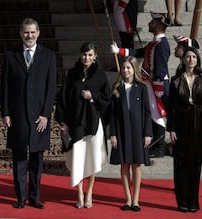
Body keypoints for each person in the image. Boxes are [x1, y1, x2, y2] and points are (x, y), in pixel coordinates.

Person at [1, 18, 56, 209]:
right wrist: (5, 112)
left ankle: (35, 197)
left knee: (36, 161)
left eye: (33, 32)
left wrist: (46, 114)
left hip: (39, 117)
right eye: (26, 32)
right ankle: (20, 197)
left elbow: (51, 88)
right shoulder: (11, 55)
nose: (29, 36)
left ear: (38, 33)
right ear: (20, 33)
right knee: (19, 160)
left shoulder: (48, 56)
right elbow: (5, 86)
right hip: (17, 116)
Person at [55, 42, 110, 209]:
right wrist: (63, 121)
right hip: (76, 123)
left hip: (93, 124)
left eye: (90, 55)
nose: (86, 57)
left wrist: (92, 96)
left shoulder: (100, 75)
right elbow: (63, 98)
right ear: (80, 55)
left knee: (92, 159)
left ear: (95, 57)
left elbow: (106, 100)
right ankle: (79, 193)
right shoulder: (72, 74)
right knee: (78, 159)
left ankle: (90, 193)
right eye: (84, 54)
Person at [111, 11, 170, 158]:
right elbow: (138, 52)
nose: (150, 23)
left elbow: (161, 69)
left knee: (156, 113)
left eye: (153, 22)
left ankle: (159, 146)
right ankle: (157, 144)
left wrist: (158, 89)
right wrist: (120, 51)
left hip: (156, 85)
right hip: (150, 84)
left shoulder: (162, 44)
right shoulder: (154, 43)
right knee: (153, 112)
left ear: (159, 25)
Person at [167, 47, 202, 213]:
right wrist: (171, 128)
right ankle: (182, 202)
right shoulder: (175, 80)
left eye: (194, 56)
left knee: (196, 164)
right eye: (188, 56)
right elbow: (171, 106)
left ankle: (193, 202)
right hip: (180, 124)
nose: (191, 59)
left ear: (197, 59)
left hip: (199, 125)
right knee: (181, 164)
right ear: (183, 60)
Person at [109, 56, 152, 212]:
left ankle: (136, 200)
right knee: (124, 164)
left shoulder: (142, 88)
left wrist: (148, 133)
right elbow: (112, 114)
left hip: (137, 131)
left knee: (136, 164)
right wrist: (112, 134)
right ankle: (127, 199)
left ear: (134, 69)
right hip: (121, 131)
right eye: (124, 67)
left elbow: (147, 112)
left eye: (129, 67)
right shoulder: (116, 88)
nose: (125, 70)